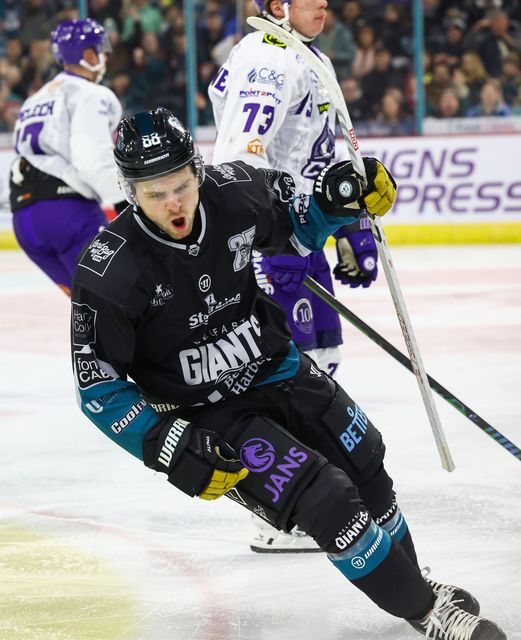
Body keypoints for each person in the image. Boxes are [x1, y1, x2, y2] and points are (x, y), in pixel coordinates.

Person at [71, 107, 506, 640]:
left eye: (181, 185)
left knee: (365, 458)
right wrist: (165, 443)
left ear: (197, 169)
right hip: (211, 413)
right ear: (129, 188)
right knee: (325, 499)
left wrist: (337, 199)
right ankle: (428, 612)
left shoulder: (235, 192)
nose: (173, 203)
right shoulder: (110, 268)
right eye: (154, 193)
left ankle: (413, 585)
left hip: (278, 366)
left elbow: (300, 225)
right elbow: (99, 388)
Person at [208, 0, 379, 552]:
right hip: (272, 242)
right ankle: (279, 510)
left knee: (321, 360)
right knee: (286, 373)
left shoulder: (305, 56)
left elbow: (321, 153)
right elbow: (241, 156)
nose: (323, 2)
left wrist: (350, 222)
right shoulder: (269, 56)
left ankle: (321, 490)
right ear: (278, 4)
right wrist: (257, 239)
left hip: (302, 236)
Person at [9, 18, 125, 296]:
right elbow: (92, 158)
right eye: (100, 49)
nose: (104, 56)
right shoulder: (94, 94)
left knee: (87, 306)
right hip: (67, 213)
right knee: (119, 298)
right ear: (88, 55)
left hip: (24, 220)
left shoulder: (34, 99)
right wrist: (125, 204)